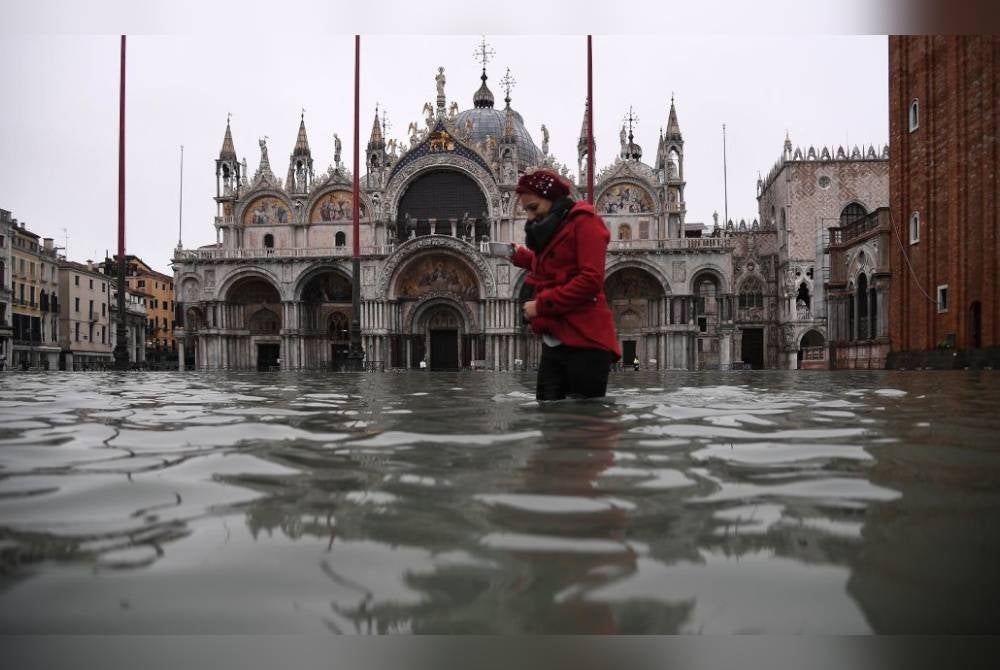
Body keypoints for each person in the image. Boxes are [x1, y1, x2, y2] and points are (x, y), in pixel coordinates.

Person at [510, 169, 621, 401]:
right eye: (526, 210)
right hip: (555, 338)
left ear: (551, 198)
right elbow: (556, 264)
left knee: (584, 422)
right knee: (548, 417)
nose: (530, 217)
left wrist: (540, 306)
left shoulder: (586, 222)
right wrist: (519, 256)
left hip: (586, 340)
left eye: (534, 208)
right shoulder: (554, 228)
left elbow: (590, 280)